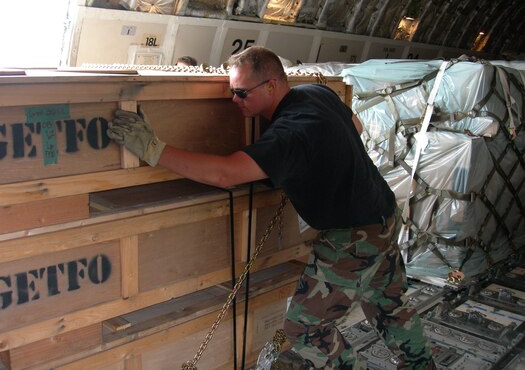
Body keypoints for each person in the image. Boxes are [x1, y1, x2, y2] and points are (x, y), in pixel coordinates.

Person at [107, 46, 434, 369]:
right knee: (391, 308)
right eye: (232, 91)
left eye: (241, 93)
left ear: (272, 85)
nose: (234, 100)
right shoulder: (315, 93)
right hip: (384, 215)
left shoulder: (290, 133)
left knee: (305, 330)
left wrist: (153, 149)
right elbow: (356, 126)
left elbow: (225, 173)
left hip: (352, 236)